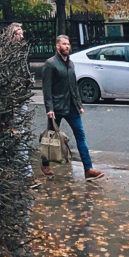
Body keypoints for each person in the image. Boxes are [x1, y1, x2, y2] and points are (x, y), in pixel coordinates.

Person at [41, 34, 104, 181]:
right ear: (57, 46)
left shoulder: (71, 63)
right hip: (56, 108)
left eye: (68, 44)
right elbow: (47, 89)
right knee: (50, 138)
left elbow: (74, 86)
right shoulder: (50, 64)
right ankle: (45, 164)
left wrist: (79, 105)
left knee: (80, 136)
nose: (67, 46)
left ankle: (88, 169)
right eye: (64, 44)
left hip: (71, 107)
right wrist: (49, 109)